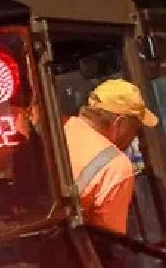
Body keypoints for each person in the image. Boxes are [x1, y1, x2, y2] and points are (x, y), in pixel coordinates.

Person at [64, 78, 158, 234]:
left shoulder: (59, 127)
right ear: (120, 123)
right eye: (135, 129)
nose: (134, 137)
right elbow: (111, 245)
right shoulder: (116, 166)